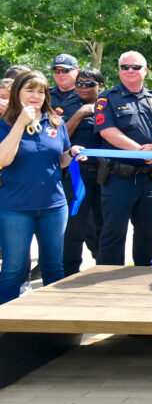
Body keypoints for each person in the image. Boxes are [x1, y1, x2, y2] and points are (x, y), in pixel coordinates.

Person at [0, 71, 81, 303]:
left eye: (41, 91)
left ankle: (53, 327)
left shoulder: (55, 121)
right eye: (30, 90)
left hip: (53, 206)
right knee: (13, 270)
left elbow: (60, 159)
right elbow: (3, 159)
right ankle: (6, 326)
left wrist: (72, 153)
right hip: (15, 207)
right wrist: (20, 123)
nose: (36, 96)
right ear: (17, 93)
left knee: (54, 267)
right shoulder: (3, 123)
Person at [95, 51, 152, 267]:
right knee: (113, 233)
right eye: (124, 67)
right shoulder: (107, 98)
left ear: (145, 71)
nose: (129, 70)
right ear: (119, 70)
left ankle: (143, 276)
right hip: (119, 178)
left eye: (135, 67)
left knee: (149, 234)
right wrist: (140, 150)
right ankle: (107, 280)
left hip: (149, 179)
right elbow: (107, 131)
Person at [58, 67, 105, 275]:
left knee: (102, 228)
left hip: (105, 176)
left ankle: (103, 270)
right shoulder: (67, 107)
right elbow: (60, 138)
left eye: (89, 84)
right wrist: (79, 114)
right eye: (79, 84)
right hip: (77, 176)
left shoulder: (108, 105)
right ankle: (69, 273)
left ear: (101, 86)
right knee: (73, 228)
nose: (83, 88)